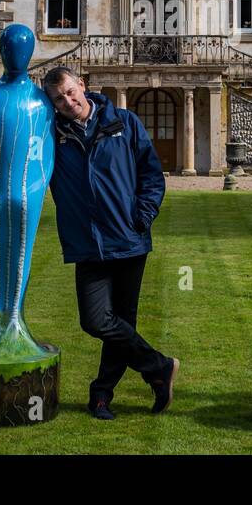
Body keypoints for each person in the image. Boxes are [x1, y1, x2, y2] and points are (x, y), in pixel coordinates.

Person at [40, 65, 179, 420]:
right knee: (96, 320)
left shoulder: (124, 122)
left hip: (129, 239)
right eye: (58, 98)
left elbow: (151, 173)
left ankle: (102, 395)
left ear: (82, 85)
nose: (67, 101)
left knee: (121, 324)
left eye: (70, 92)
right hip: (88, 243)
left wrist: (143, 215)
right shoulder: (50, 134)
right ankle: (159, 368)